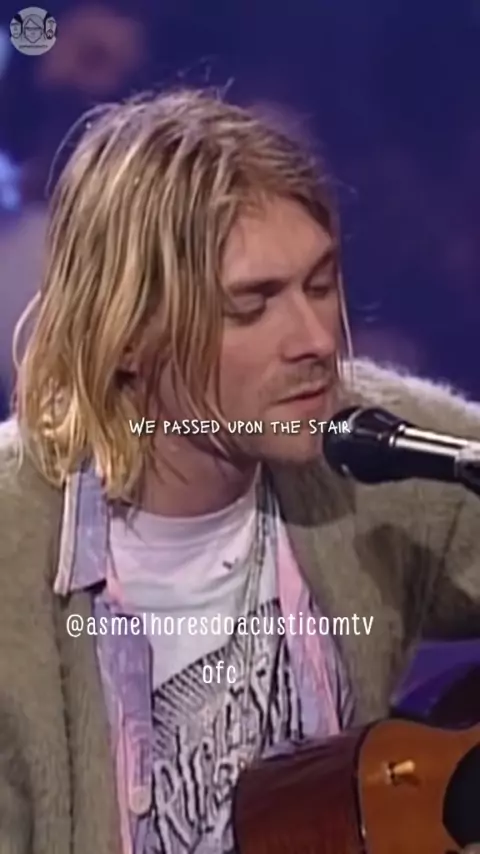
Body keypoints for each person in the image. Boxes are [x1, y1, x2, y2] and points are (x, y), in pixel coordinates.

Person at [0, 88, 479, 854]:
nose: (315, 339)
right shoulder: (13, 538)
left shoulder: (379, 448)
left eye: (319, 285)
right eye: (252, 307)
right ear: (129, 333)